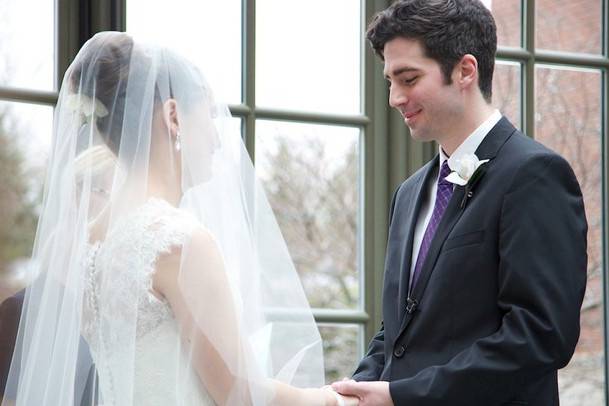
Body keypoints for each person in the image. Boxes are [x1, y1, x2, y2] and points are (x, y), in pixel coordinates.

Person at [2, 32, 357, 406]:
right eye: (208, 116)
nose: (218, 140)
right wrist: (331, 400)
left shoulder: (90, 241)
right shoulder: (178, 241)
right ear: (173, 116)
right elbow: (238, 391)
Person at [332, 1, 588, 405]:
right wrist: (356, 390)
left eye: (409, 78)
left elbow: (540, 336)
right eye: (389, 81)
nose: (395, 98)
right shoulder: (409, 193)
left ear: (466, 70)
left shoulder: (535, 175)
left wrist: (404, 396)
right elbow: (399, 331)